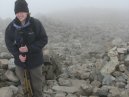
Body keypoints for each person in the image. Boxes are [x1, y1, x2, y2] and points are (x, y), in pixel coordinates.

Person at [5, 0, 48, 97]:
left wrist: (29, 48)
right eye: (17, 12)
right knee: (24, 85)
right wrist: (18, 55)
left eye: (22, 11)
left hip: (35, 61)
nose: (20, 14)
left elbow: (44, 39)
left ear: (27, 12)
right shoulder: (11, 27)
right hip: (20, 62)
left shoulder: (36, 24)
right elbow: (9, 44)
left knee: (37, 86)